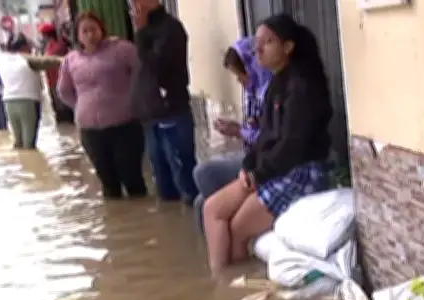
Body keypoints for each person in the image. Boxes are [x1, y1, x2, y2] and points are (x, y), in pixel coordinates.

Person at [202, 14, 332, 272]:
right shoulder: (277, 82)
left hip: (300, 171)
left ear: (288, 47)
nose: (258, 49)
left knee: (238, 229)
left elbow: (292, 147)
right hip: (272, 168)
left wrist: (257, 174)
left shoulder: (301, 87)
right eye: (256, 43)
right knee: (211, 208)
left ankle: (239, 287)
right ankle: (219, 285)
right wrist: (249, 164)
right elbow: (264, 135)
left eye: (268, 42)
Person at [58, 11, 147, 199]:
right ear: (78, 35)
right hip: (91, 130)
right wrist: (81, 106)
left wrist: (131, 100)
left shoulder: (122, 49)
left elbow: (141, 73)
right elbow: (64, 90)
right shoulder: (71, 60)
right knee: (108, 182)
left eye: (93, 29)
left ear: (102, 29)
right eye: (85, 31)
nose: (90, 35)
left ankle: (142, 216)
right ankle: (116, 225)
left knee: (132, 178)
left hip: (124, 125)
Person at [192, 36, 272, 229]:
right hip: (254, 156)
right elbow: (255, 129)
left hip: (267, 161)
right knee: (200, 203)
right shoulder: (255, 93)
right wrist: (239, 129)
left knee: (203, 174)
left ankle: (229, 220)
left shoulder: (272, 91)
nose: (239, 80)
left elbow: (271, 138)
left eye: (240, 74)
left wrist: (239, 131)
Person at [131, 0, 198, 204]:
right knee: (164, 183)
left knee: (185, 179)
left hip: (172, 112)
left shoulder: (170, 28)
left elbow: (156, 65)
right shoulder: (147, 29)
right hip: (151, 115)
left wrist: (140, 32)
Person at [0, 39, 56, 149]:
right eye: (29, 46)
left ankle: (20, 163)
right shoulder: (28, 60)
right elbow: (51, 62)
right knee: (29, 143)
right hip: (28, 103)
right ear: (24, 48)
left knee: (18, 142)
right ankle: (30, 164)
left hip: (8, 103)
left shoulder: (0, 60)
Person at [39, 22, 74, 124]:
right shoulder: (49, 46)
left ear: (47, 35)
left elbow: (48, 59)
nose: (42, 37)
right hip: (52, 81)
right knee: (58, 110)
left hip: (60, 81)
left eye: (43, 35)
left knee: (64, 112)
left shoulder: (58, 45)